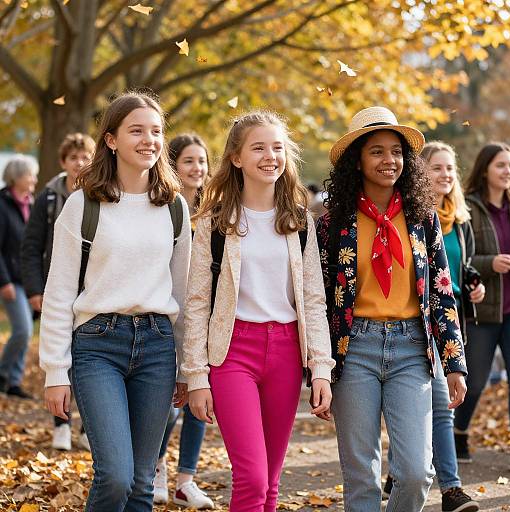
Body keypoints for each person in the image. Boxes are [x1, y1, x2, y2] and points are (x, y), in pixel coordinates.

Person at [39, 91, 191, 511]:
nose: (150, 140)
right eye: (137, 130)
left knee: (142, 483)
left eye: (157, 131)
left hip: (158, 347)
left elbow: (183, 294)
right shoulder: (83, 204)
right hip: (97, 346)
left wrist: (189, 367)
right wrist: (56, 369)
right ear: (110, 140)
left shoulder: (174, 207)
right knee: (117, 476)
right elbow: (59, 291)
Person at [182, 110, 334, 512]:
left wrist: (320, 368)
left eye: (278, 147)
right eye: (259, 147)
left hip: (286, 351)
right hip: (233, 353)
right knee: (250, 477)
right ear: (236, 157)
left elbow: (314, 300)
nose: (271, 156)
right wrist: (196, 377)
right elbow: (197, 302)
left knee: (270, 482)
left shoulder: (300, 221)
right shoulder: (214, 222)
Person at [317, 107, 467, 511]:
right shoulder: (332, 224)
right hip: (354, 352)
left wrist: (454, 362)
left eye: (396, 152)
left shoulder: (423, 218)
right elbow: (318, 301)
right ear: (358, 161)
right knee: (362, 475)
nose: (389, 161)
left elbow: (441, 293)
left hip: (411, 351)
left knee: (418, 473)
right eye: (377, 152)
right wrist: (316, 370)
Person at [383, 141, 482, 511]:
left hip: (448, 321)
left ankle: (414, 476)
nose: (445, 175)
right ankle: (447, 487)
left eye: (449, 168)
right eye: (436, 168)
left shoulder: (459, 219)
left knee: (435, 405)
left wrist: (473, 281)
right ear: (420, 172)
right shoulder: (413, 213)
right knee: (438, 405)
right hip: (416, 326)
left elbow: (456, 268)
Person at [21, 132, 95, 451]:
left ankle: (87, 427)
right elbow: (31, 246)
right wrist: (35, 289)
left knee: (89, 359)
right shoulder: (48, 198)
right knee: (59, 355)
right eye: (74, 158)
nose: (80, 163)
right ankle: (61, 424)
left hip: (92, 290)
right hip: (57, 287)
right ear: (63, 162)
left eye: (85, 157)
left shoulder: (100, 195)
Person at [153, 133, 214, 509]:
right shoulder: (164, 210)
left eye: (203, 161)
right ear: (173, 165)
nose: (198, 168)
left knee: (201, 398)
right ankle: (156, 469)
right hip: (169, 317)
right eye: (189, 161)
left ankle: (185, 480)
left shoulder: (214, 213)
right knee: (168, 404)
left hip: (206, 319)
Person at [454, 142, 510, 470]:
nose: (507, 172)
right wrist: (492, 263)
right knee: (474, 381)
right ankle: (459, 431)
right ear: (486, 169)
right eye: (501, 165)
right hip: (484, 311)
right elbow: (462, 259)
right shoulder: (470, 209)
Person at [0, 155, 38, 399]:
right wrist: (3, 282)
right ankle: (3, 374)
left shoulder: (31, 204)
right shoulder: (2, 205)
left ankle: (13, 382)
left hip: (28, 280)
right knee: (23, 330)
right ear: (16, 177)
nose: (34, 179)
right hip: (10, 281)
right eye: (29, 175)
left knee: (25, 331)